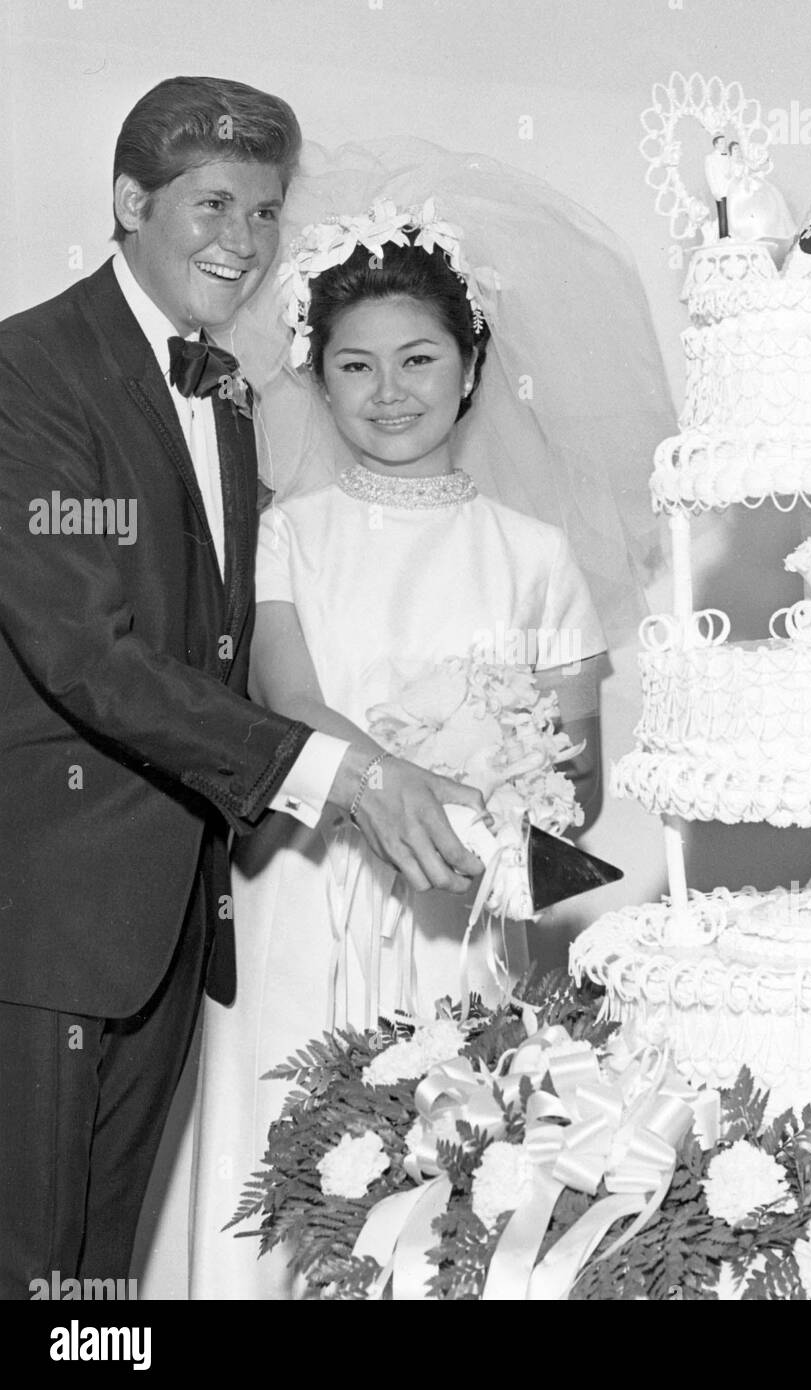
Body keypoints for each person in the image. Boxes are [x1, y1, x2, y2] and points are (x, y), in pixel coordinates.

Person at [0, 82, 486, 1302]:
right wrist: (340, 771)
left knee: (100, 1280)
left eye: (266, 211)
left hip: (173, 911)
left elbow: (213, 644)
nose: (243, 239)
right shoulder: (26, 370)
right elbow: (88, 654)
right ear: (128, 203)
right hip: (45, 917)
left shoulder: (222, 394)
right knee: (27, 1270)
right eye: (212, 204)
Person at [183, 143, 673, 1299]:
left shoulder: (537, 555)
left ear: (470, 367)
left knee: (445, 1194)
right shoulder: (284, 532)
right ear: (315, 375)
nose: (388, 390)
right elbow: (289, 702)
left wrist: (499, 816)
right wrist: (406, 777)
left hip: (457, 921)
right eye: (354, 364)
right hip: (302, 898)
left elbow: (575, 798)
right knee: (277, 1181)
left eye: (417, 359)